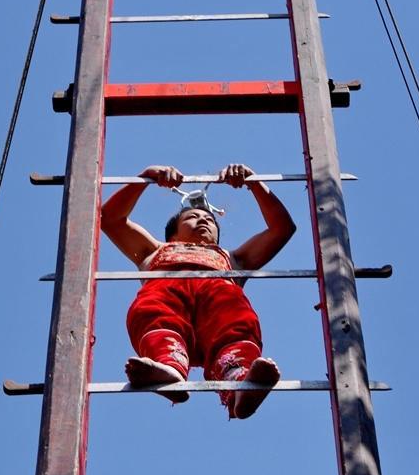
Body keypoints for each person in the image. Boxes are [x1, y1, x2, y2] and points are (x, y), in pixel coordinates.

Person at [100, 163, 296, 419]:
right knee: (155, 308)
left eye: (209, 220)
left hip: (217, 309)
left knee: (234, 321)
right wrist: (146, 177)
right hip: (169, 304)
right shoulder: (153, 250)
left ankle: (241, 386)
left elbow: (282, 228)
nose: (203, 219)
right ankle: (168, 369)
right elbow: (110, 219)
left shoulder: (234, 259)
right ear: (171, 235)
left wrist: (253, 182)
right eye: (192, 217)